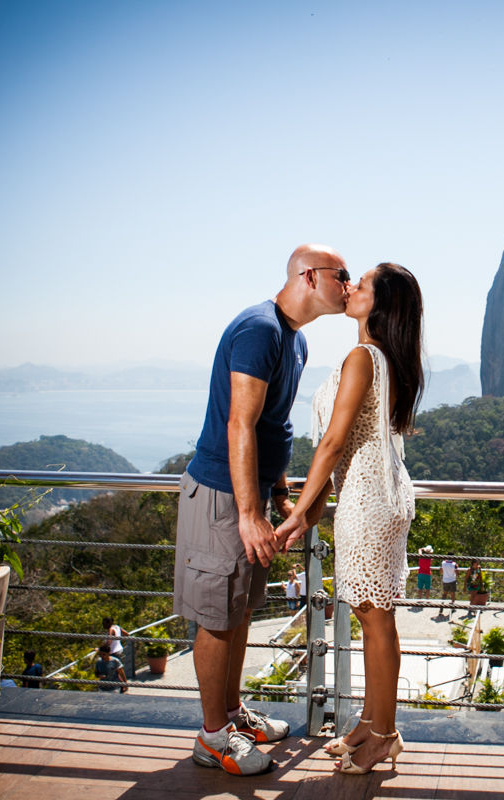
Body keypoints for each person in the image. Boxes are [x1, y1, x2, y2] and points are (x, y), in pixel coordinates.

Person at [174, 243, 349, 777]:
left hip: (249, 496)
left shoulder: (292, 339)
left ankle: (230, 716)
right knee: (218, 618)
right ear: (310, 276)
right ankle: (212, 738)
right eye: (341, 275)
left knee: (240, 610)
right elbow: (239, 424)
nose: (348, 283)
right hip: (223, 497)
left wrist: (276, 495)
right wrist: (250, 513)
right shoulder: (260, 329)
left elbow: (273, 427)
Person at [275, 262, 424, 775]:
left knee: (374, 618)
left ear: (378, 305)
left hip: (367, 500)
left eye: (362, 284)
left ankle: (384, 735)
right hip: (378, 496)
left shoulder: (364, 356)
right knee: (373, 616)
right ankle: (372, 722)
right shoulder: (382, 358)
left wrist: (298, 513)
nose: (352, 288)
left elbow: (334, 443)